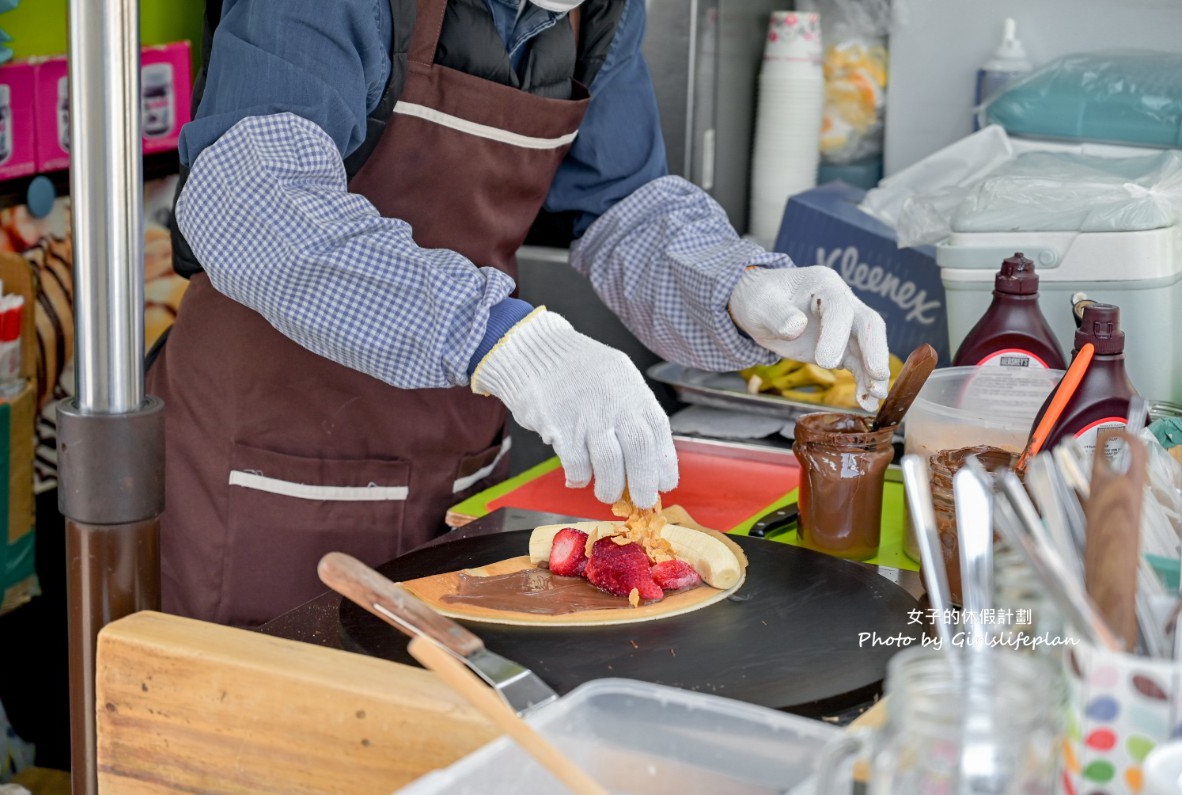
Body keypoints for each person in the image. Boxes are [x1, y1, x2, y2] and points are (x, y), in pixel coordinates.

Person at [146, 0, 890, 628]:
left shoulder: (597, 14)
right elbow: (245, 199)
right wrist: (501, 338)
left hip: (459, 461)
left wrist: (739, 286)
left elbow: (622, 207)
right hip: (274, 464)